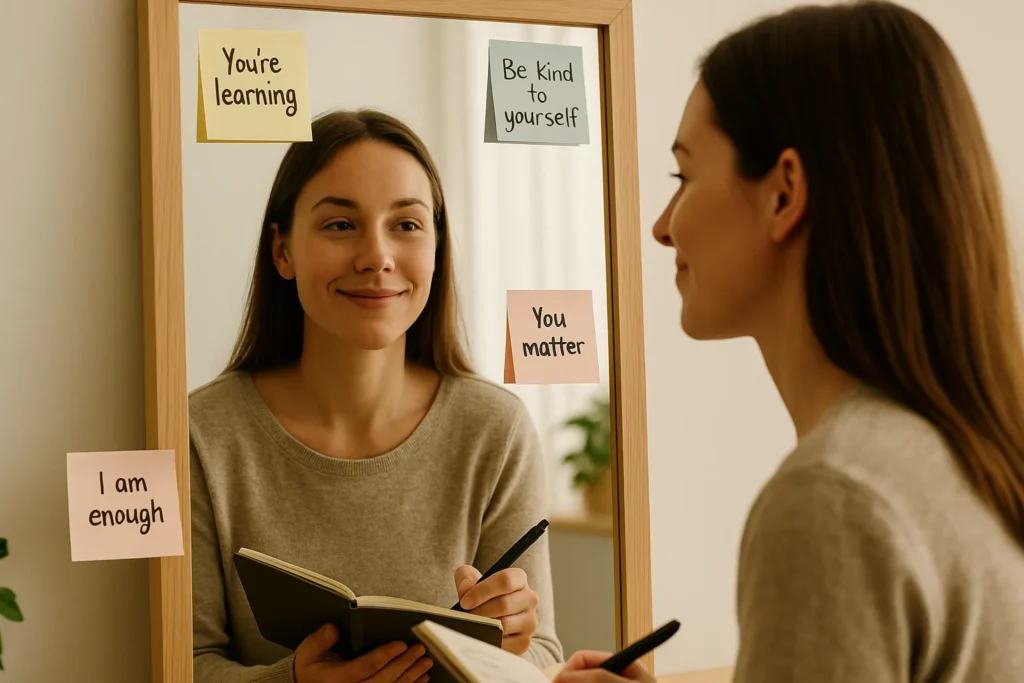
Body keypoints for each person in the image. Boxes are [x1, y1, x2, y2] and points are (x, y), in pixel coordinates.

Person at [556, 1, 1024, 682]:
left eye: (682, 177)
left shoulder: (833, 499)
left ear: (784, 193)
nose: (662, 226)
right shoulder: (965, 448)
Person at [189, 108, 563, 683]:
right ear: (283, 250)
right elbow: (180, 662)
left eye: (407, 225)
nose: (377, 257)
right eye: (340, 225)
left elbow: (544, 660)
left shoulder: (495, 429)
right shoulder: (202, 433)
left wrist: (509, 649)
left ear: (437, 247)